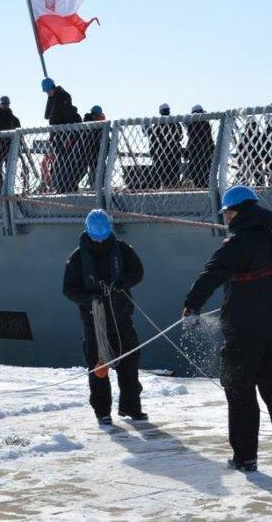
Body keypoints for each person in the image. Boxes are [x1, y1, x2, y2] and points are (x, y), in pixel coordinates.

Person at [182, 185, 272, 472]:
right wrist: (263, 295)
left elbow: (210, 274)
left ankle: (245, 457)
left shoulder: (238, 243)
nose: (225, 218)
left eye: (226, 213)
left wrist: (192, 306)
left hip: (242, 334)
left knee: (240, 394)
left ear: (236, 212)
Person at [63, 209, 146, 425]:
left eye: (103, 238)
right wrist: (90, 297)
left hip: (122, 318)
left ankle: (131, 408)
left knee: (129, 364)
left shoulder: (123, 250)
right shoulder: (77, 258)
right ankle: (102, 412)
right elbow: (69, 289)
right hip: (94, 322)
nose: (100, 242)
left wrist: (122, 282)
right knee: (98, 368)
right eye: (96, 238)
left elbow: (137, 271)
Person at [42, 78, 83, 192]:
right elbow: (47, 115)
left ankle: (66, 186)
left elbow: (68, 117)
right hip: (56, 135)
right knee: (60, 160)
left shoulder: (64, 96)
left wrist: (69, 137)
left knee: (66, 161)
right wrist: (50, 99)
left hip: (65, 134)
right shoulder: (52, 98)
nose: (47, 93)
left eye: (48, 91)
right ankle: (61, 185)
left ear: (52, 87)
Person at [0, 96, 21, 195]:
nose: (5, 106)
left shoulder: (14, 119)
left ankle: (8, 190)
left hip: (10, 147)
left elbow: (19, 135)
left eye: (6, 104)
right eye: (3, 104)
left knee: (9, 170)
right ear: (0, 104)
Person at [149, 103, 183, 188]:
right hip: (174, 153)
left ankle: (166, 189)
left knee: (164, 177)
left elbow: (153, 140)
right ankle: (175, 188)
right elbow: (180, 136)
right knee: (175, 174)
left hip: (161, 155)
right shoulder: (175, 123)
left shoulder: (157, 124)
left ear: (160, 112)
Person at [184, 104, 214, 188]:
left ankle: (200, 187)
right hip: (206, 155)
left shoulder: (192, 126)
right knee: (206, 176)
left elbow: (191, 141)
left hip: (195, 156)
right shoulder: (206, 124)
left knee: (196, 176)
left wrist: (187, 153)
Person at [81, 105, 106, 189]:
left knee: (93, 169)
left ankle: (94, 185)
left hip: (91, 150)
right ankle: (97, 186)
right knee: (98, 169)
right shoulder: (93, 125)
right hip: (94, 150)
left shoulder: (86, 123)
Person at [236, 117, 265, 186]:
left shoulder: (244, 135)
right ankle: (258, 185)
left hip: (251, 158)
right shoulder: (259, 134)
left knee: (249, 175)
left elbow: (239, 147)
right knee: (255, 174)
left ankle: (247, 185)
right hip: (253, 158)